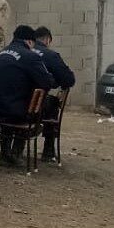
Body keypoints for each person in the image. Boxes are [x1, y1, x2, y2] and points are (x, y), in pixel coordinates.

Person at [0, 24, 56, 166]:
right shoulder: (31, 57)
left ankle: (4, 153)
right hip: (14, 113)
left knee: (10, 101)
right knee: (35, 107)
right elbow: (47, 82)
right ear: (30, 42)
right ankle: (15, 154)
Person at [34, 26, 76, 163]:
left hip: (14, 103)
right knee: (51, 104)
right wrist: (56, 83)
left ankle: (12, 149)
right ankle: (48, 150)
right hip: (37, 105)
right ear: (47, 39)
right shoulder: (50, 55)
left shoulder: (24, 52)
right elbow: (69, 79)